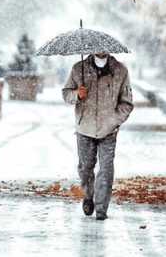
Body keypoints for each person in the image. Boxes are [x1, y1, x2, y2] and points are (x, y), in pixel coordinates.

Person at [62, 52, 134, 220]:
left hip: (108, 130)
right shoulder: (78, 69)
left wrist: (115, 120)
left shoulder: (120, 71)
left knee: (106, 169)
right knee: (85, 167)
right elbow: (66, 93)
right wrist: (76, 95)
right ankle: (88, 196)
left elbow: (127, 102)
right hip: (84, 128)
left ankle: (102, 208)